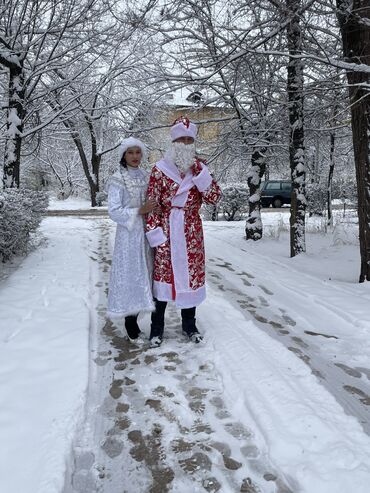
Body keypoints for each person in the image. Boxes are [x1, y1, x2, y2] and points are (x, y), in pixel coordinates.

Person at [145, 116, 221, 348]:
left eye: (190, 140)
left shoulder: (200, 169)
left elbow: (214, 198)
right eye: (181, 140)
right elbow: (152, 203)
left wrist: (201, 176)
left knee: (190, 277)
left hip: (190, 232)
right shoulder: (159, 170)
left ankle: (190, 325)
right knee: (163, 279)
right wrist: (155, 233)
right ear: (173, 141)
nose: (185, 144)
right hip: (167, 229)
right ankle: (156, 328)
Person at [107, 137, 157, 343]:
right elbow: (114, 211)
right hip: (128, 237)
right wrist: (139, 210)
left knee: (145, 273)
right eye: (131, 152)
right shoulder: (117, 178)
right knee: (130, 275)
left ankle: (140, 316)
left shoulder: (146, 176)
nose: (135, 156)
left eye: (138, 152)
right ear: (123, 155)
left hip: (146, 234)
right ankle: (130, 324)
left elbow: (153, 199)